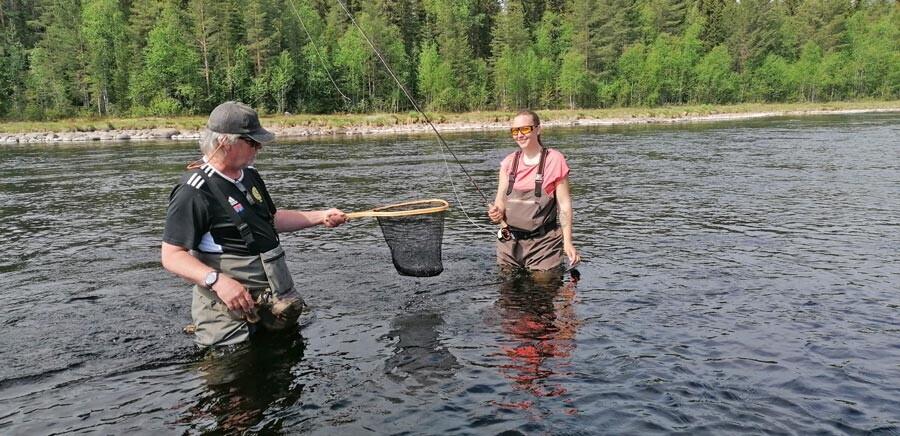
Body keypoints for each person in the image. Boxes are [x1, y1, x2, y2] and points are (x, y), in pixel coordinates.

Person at [161, 101, 347, 347]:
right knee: (230, 373)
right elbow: (172, 256)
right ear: (224, 142)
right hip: (226, 311)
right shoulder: (193, 191)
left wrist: (320, 216)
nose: (259, 147)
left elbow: (272, 220)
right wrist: (217, 281)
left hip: (272, 301)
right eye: (252, 142)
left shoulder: (250, 175)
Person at [487, 110, 581, 272]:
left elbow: (564, 207)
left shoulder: (555, 159)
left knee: (542, 288)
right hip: (509, 243)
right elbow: (500, 202)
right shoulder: (508, 163)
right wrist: (496, 213)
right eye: (515, 131)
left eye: (525, 129)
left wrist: (567, 242)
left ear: (538, 129)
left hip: (544, 244)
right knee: (508, 291)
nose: (519, 135)